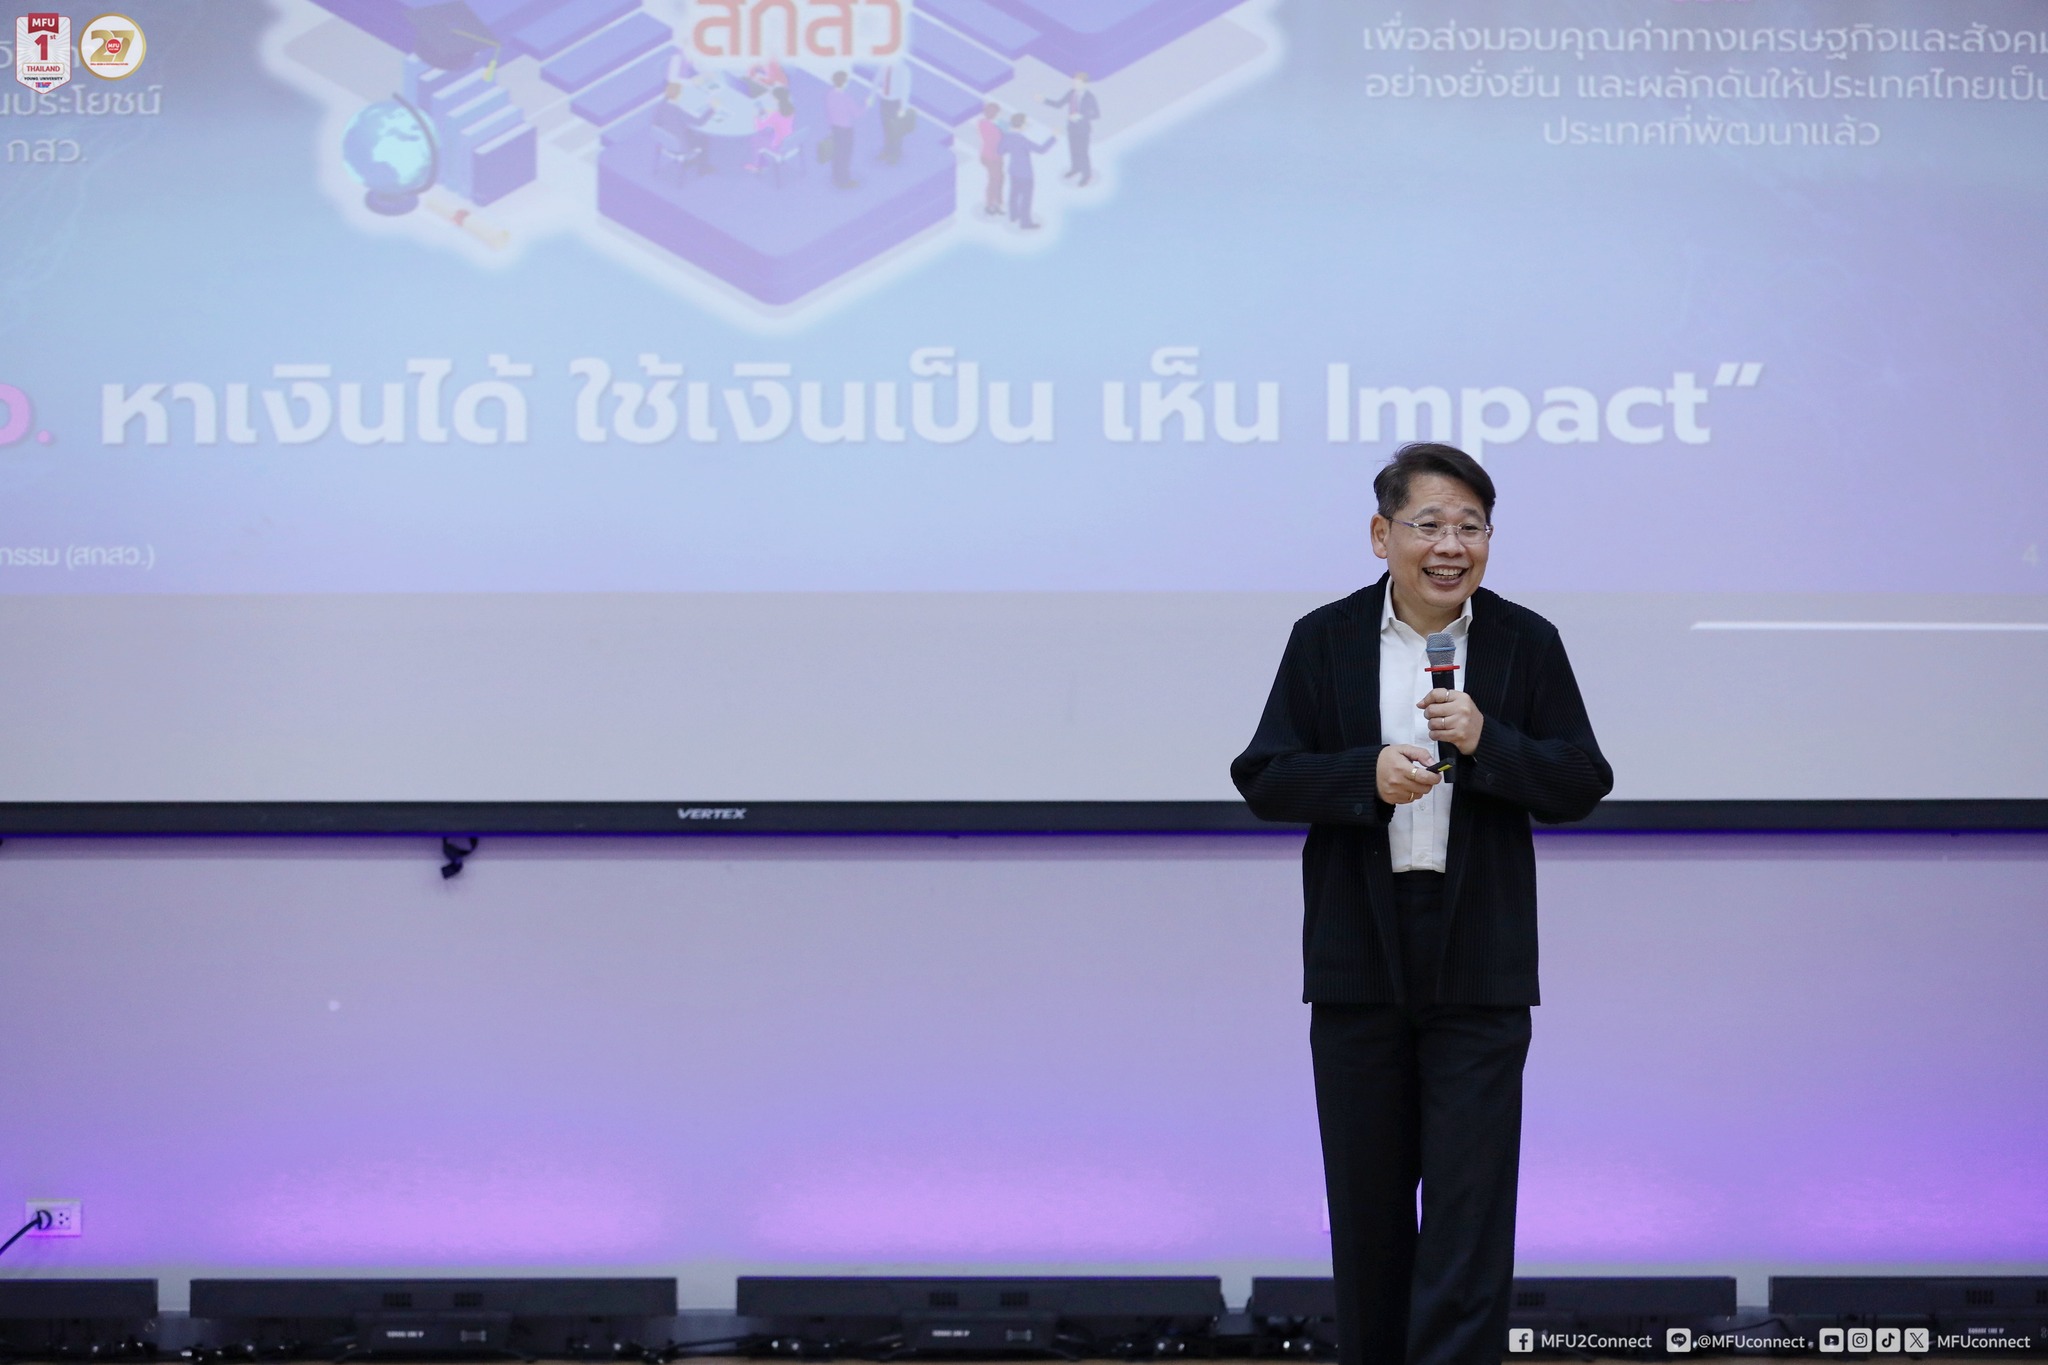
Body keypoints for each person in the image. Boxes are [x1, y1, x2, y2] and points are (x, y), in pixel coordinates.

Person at [1231, 442, 1612, 1365]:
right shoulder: (1325, 638)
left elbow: (1581, 779)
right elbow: (1265, 775)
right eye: (1429, 524)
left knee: (1469, 1211)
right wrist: (1362, 776)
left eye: (1471, 527)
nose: (1452, 546)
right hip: (1359, 952)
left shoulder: (1526, 641)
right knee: (1366, 1210)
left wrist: (1489, 742)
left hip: (1479, 954)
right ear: (1381, 534)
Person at [1000, 113, 1055, 229]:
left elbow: (1000, 151)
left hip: (1013, 170)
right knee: (1026, 199)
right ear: (1021, 124)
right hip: (1025, 173)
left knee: (1014, 194)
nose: (1026, 125)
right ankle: (1025, 223)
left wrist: (1011, 149)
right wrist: (1053, 137)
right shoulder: (1022, 140)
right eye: (1025, 123)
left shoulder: (1007, 137)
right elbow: (1041, 150)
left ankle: (1014, 216)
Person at [1042, 71, 1099, 185]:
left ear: (1084, 84)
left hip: (1083, 130)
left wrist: (1081, 116)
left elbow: (1096, 114)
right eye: (1074, 82)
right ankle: (1075, 168)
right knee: (1073, 150)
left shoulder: (1090, 97)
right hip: (1072, 128)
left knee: (1083, 153)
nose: (1074, 85)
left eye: (1077, 83)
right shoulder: (1071, 93)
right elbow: (1059, 104)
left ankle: (1086, 175)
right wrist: (1044, 100)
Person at [744, 85, 796, 173]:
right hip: (790, 140)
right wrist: (771, 114)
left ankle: (757, 166)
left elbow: (759, 127)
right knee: (766, 134)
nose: (771, 99)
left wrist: (757, 117)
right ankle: (761, 161)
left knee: (755, 139)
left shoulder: (776, 115)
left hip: (779, 146)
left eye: (773, 98)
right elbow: (780, 121)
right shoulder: (791, 109)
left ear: (777, 100)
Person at [870, 59, 913, 164]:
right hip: (884, 101)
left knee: (895, 130)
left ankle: (896, 154)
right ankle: (887, 151)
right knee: (886, 128)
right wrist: (872, 95)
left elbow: (905, 89)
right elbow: (877, 80)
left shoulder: (904, 69)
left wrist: (903, 107)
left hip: (896, 103)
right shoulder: (884, 66)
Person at [824, 70, 860, 188]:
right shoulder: (845, 98)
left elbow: (829, 113)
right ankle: (844, 181)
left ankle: (836, 177)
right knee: (845, 156)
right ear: (844, 83)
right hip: (845, 130)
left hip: (835, 129)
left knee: (837, 154)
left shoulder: (829, 95)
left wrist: (830, 128)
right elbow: (857, 113)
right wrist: (867, 104)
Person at [975, 102, 1005, 214]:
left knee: (1000, 179)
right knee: (994, 180)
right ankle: (990, 204)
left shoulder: (993, 124)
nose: (996, 114)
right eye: (995, 112)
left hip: (997, 156)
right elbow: (994, 139)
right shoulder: (984, 124)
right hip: (989, 156)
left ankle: (997, 203)